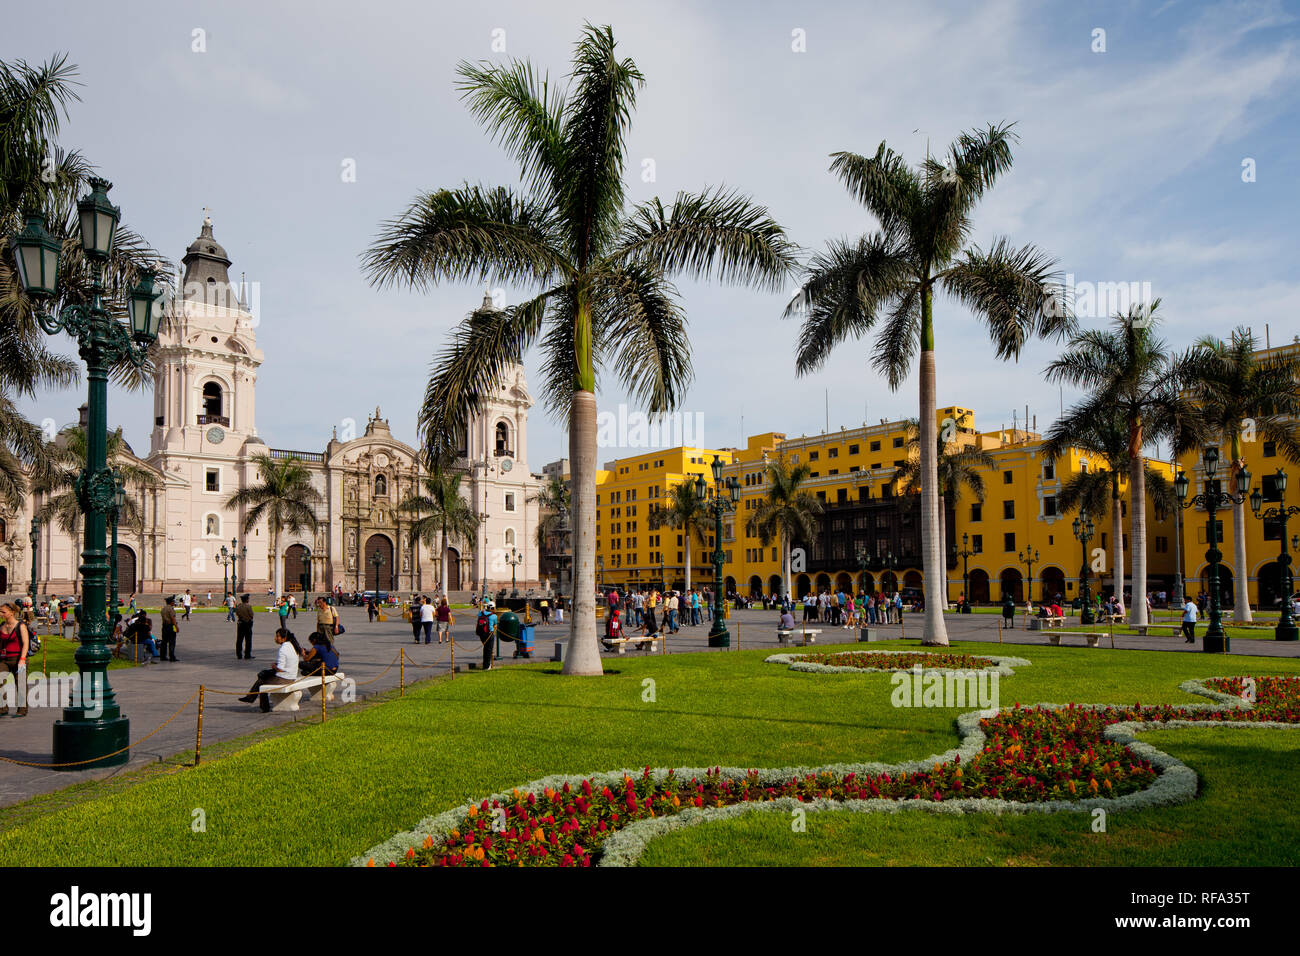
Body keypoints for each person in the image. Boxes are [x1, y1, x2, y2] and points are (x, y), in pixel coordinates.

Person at [239, 628, 303, 712]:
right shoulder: (293, 646)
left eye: (277, 636)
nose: (275, 638)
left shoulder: (283, 649)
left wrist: (274, 666)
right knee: (262, 677)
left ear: (284, 638)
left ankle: (261, 705)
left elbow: (280, 668)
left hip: (285, 678)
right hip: (292, 675)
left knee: (261, 682)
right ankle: (253, 699)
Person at [0, 602, 31, 716]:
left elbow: (25, 643)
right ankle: (2, 707)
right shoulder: (2, 626)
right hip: (4, 659)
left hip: (19, 658)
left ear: (12, 613)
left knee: (21, 683)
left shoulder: (20, 626)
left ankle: (22, 710)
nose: (1, 614)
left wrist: (22, 659)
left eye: (3, 612)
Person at [475, 602, 497, 671]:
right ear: (492, 608)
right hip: (489, 634)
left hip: (481, 634)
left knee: (485, 648)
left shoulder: (480, 613)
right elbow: (495, 625)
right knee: (489, 650)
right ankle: (487, 666)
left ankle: (485, 664)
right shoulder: (494, 616)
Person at [235, 593, 255, 660]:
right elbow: (251, 615)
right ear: (247, 600)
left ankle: (239, 654)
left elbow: (237, 613)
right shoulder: (248, 606)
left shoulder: (239, 606)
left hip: (240, 623)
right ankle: (247, 654)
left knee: (239, 640)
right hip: (247, 624)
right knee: (248, 640)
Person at [160, 595, 180, 662]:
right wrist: (176, 627)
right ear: (171, 602)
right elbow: (173, 618)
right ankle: (172, 657)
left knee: (164, 642)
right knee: (172, 642)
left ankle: (163, 656)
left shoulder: (163, 609)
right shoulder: (170, 609)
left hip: (164, 626)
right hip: (170, 626)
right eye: (173, 601)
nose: (174, 603)